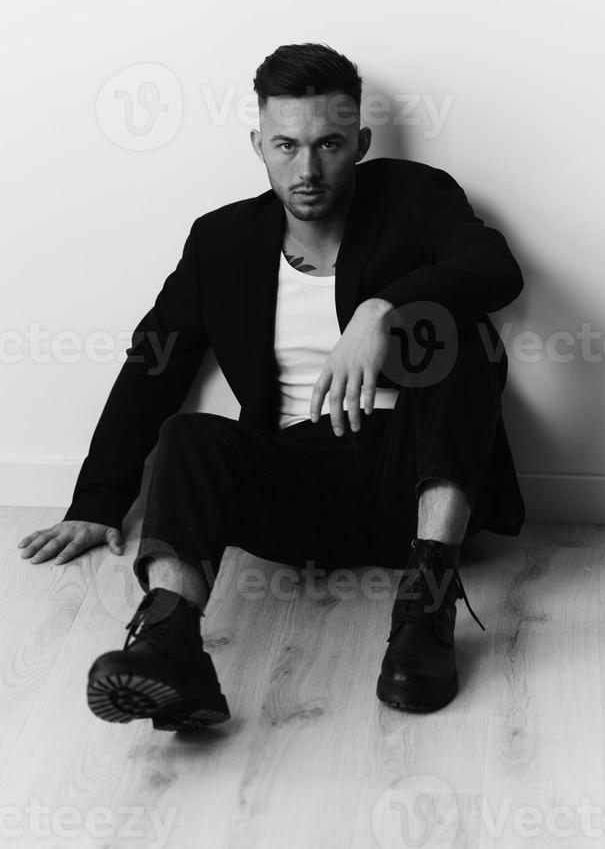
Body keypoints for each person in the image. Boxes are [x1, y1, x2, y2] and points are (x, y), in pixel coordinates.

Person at [17, 43, 525, 731]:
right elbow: (153, 365)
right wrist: (98, 500)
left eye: (329, 145)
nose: (307, 169)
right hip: (299, 486)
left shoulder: (414, 197)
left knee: (459, 337)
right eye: (285, 145)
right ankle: (171, 643)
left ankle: (426, 611)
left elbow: (493, 268)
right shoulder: (222, 242)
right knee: (187, 433)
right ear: (259, 143)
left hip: (413, 474)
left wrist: (384, 310)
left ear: (361, 143)